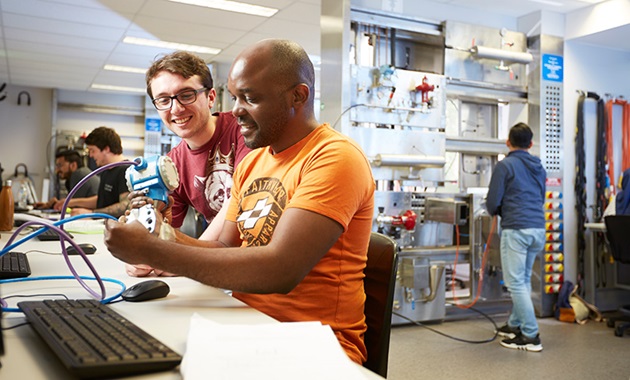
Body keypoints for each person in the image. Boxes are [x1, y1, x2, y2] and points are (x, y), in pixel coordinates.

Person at [104, 39, 375, 365]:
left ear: (298, 96)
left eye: (251, 98)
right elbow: (222, 246)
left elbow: (281, 270)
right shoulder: (254, 162)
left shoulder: (334, 157)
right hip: (249, 326)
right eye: (235, 97)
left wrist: (155, 251)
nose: (236, 110)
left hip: (316, 347)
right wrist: (158, 234)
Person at [123, 51, 251, 277]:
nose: (176, 108)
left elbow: (238, 200)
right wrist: (141, 254)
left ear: (211, 97)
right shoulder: (171, 165)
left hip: (262, 265)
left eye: (187, 94)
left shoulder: (244, 130)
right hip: (221, 270)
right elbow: (166, 230)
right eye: (163, 100)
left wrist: (186, 259)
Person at [486, 122, 546, 352]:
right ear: (530, 144)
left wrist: (497, 210)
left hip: (517, 229)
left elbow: (493, 201)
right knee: (523, 280)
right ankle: (515, 325)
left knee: (515, 283)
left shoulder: (505, 165)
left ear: (508, 142)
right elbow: (540, 197)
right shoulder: (539, 167)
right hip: (537, 229)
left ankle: (531, 335)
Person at [69, 126, 130, 218]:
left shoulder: (125, 171)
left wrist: (91, 213)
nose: (90, 155)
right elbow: (102, 200)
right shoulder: (106, 170)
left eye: (92, 150)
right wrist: (71, 202)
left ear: (106, 149)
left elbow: (125, 206)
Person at [35, 149, 100, 210]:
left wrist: (56, 205)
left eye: (60, 165)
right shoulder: (82, 173)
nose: (56, 170)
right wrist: (56, 203)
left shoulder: (78, 174)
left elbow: (72, 207)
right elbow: (71, 204)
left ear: (73, 165)